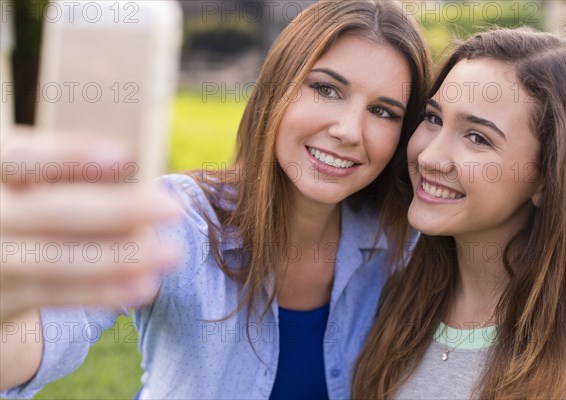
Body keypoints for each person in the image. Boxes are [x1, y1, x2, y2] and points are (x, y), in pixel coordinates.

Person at [0, 1, 431, 398]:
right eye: (327, 89)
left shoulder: (401, 243)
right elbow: (34, 343)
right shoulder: (177, 220)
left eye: (383, 112)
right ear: (275, 89)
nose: (349, 131)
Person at [353, 28, 566, 399]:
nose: (429, 157)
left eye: (477, 137)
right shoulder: (390, 296)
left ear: (549, 179)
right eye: (434, 118)